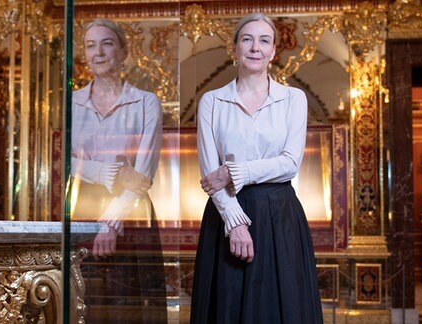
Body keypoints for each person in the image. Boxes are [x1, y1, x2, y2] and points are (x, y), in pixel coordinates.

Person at [190, 12, 323, 324]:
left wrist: (233, 171)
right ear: (233, 48)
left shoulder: (294, 99)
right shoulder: (211, 101)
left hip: (279, 215)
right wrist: (235, 223)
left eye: (264, 40)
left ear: (274, 51)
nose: (255, 47)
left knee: (281, 308)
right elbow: (212, 174)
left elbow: (290, 164)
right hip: (225, 212)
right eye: (247, 39)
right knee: (227, 307)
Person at [70, 18, 167, 323]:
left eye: (107, 43)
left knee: (130, 308)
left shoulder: (146, 103)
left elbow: (142, 174)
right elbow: (63, 164)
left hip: (132, 211)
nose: (98, 52)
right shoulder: (69, 104)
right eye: (90, 45)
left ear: (124, 51)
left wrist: (111, 223)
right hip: (81, 207)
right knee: (84, 304)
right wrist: (112, 173)